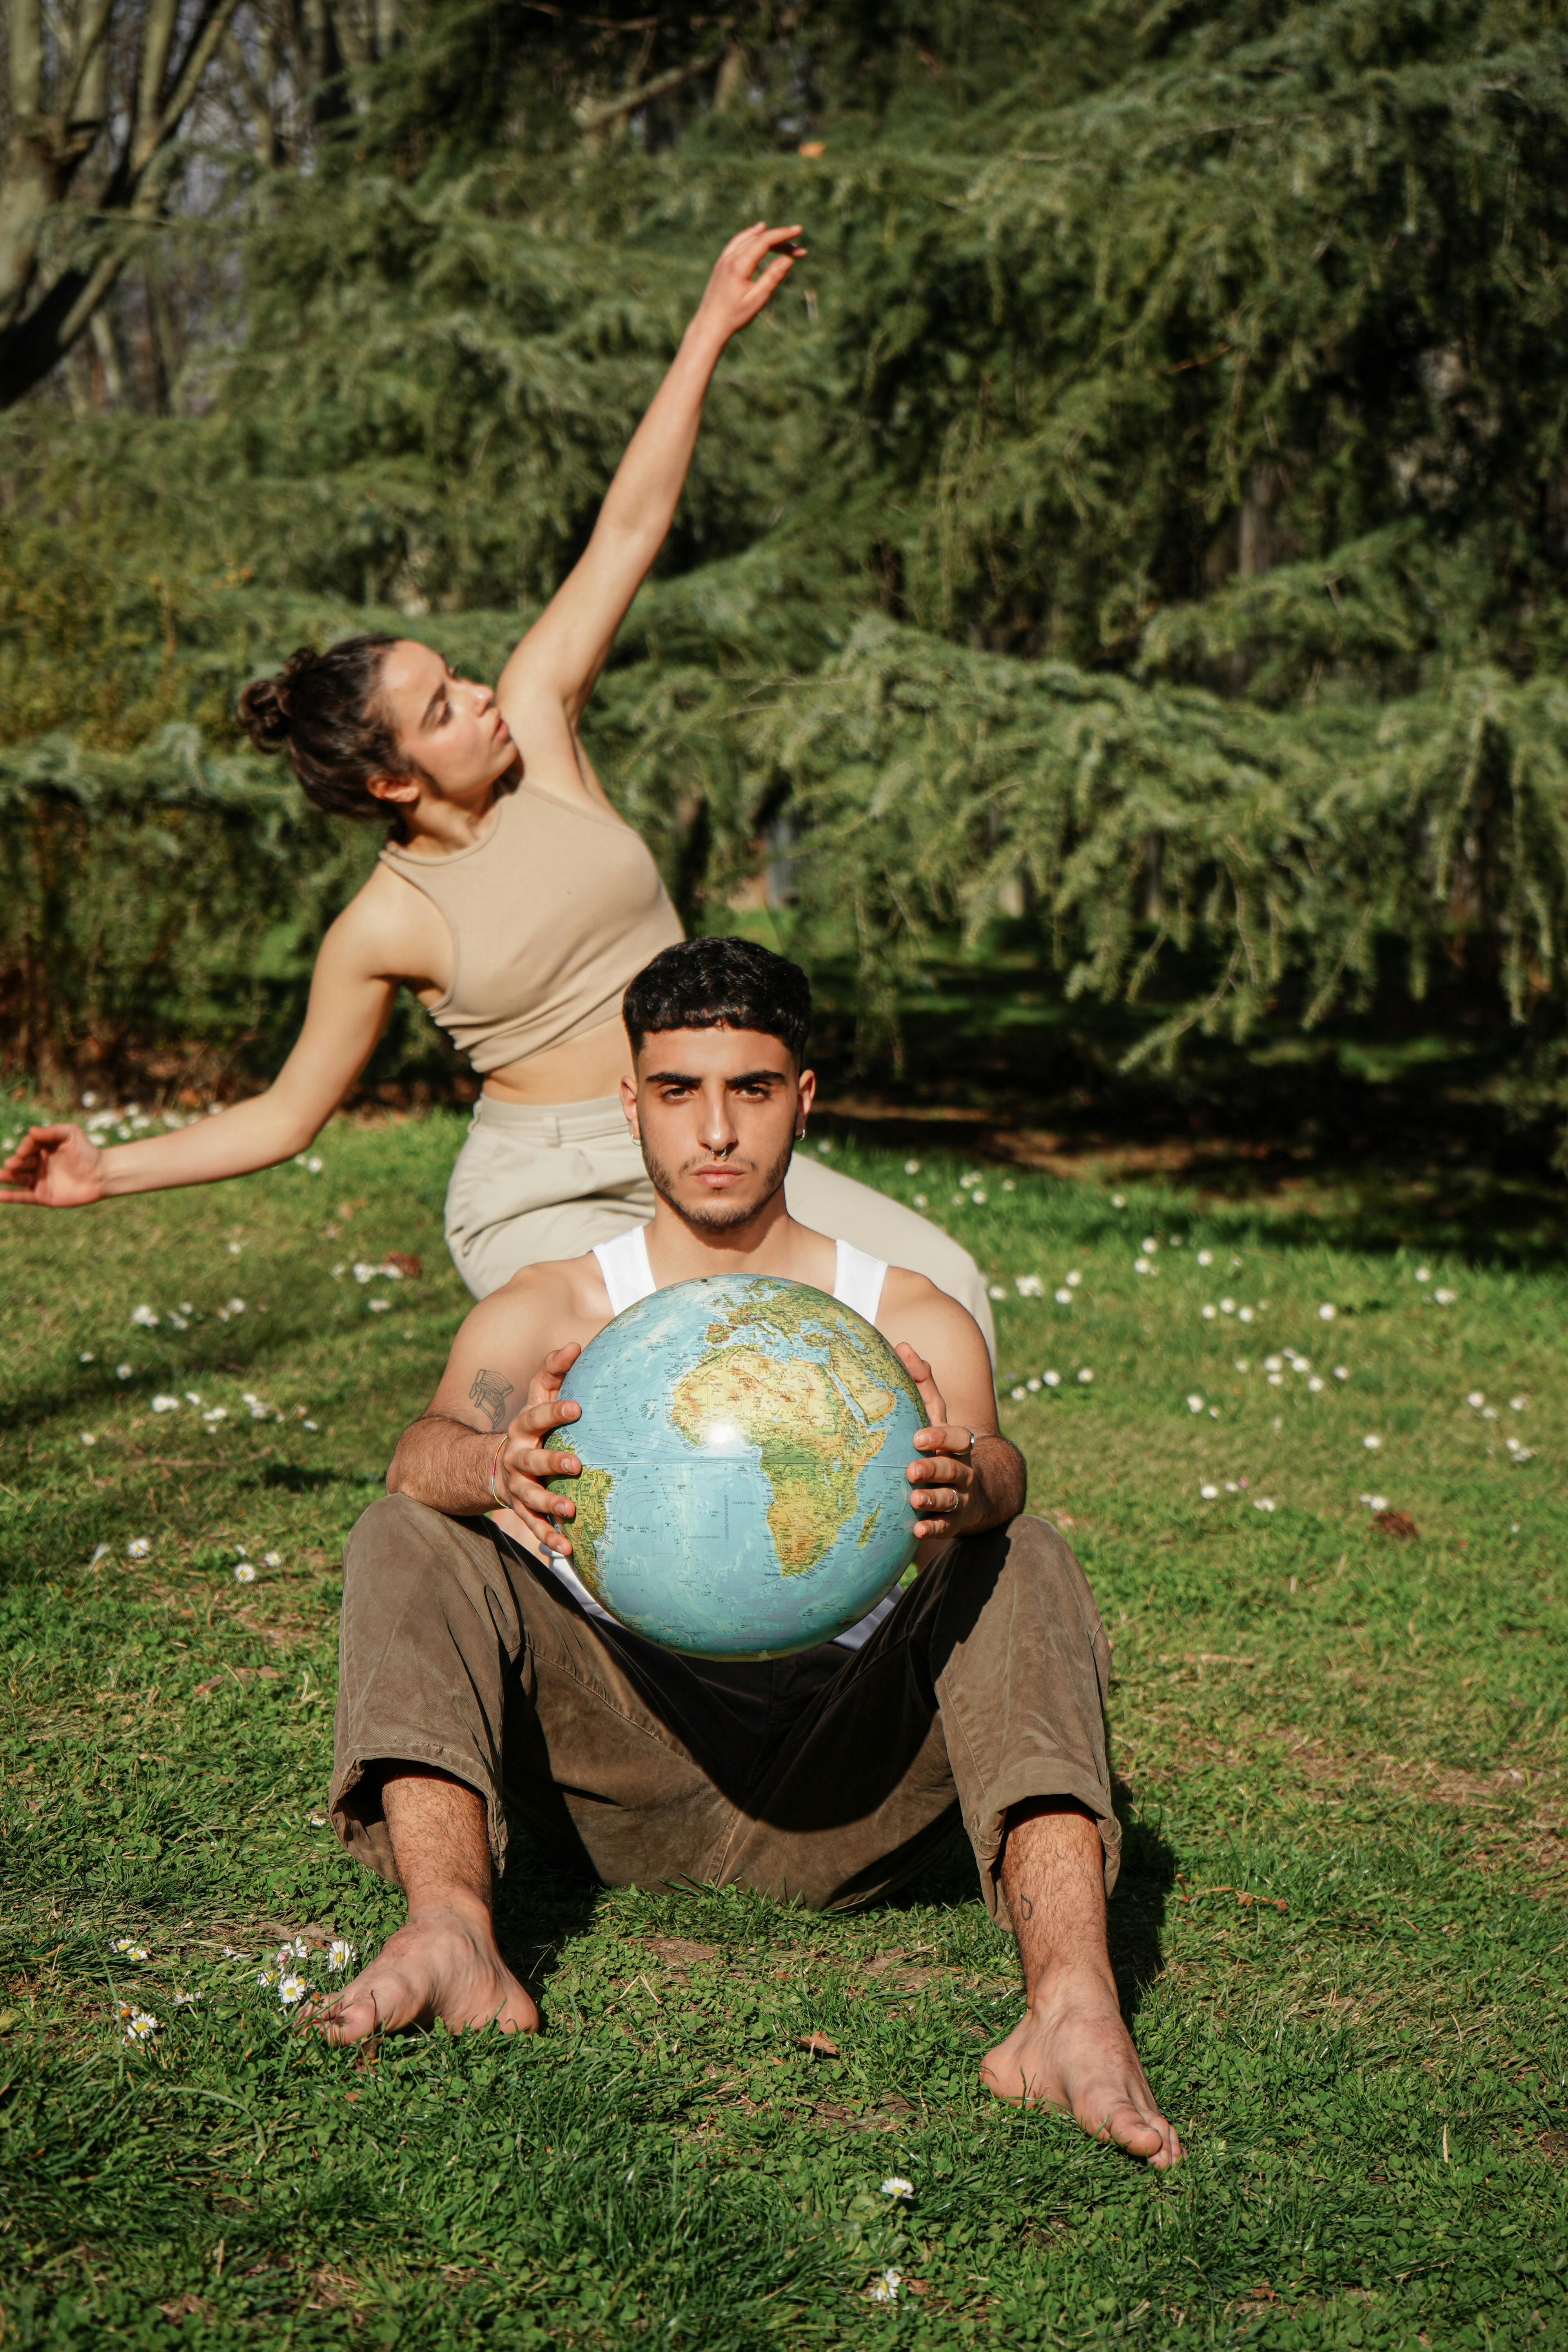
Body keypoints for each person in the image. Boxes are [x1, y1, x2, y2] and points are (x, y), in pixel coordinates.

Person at [0, 223, 993, 1355]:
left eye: (458, 678)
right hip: (547, 1187)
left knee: (942, 1285)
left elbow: (629, 527)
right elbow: (287, 1115)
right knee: (685, 1355)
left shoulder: (543, 732)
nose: (478, 701)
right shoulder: (387, 920)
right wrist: (103, 1171)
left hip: (695, 1126)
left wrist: (707, 331)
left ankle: (955, 1530)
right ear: (388, 780)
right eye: (441, 711)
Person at [321, 937, 1180, 2167]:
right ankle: (453, 1931)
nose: (715, 1131)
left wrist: (971, 1481)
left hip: (854, 1787)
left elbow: (1004, 1470)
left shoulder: (909, 1316)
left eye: (753, 1089)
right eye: (678, 1092)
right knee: (407, 1523)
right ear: (631, 1103)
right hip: (616, 1775)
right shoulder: (552, 1306)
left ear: (804, 1099)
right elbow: (418, 1455)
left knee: (1024, 1548)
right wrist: (493, 1461)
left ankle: (1072, 2011)